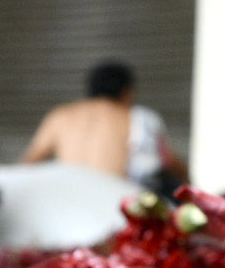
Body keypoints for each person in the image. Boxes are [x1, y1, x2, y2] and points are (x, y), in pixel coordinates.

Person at [24, 59, 180, 189]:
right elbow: (167, 162)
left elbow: (28, 164)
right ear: (127, 91)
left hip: (68, 201)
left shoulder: (61, 115)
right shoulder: (139, 118)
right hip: (113, 203)